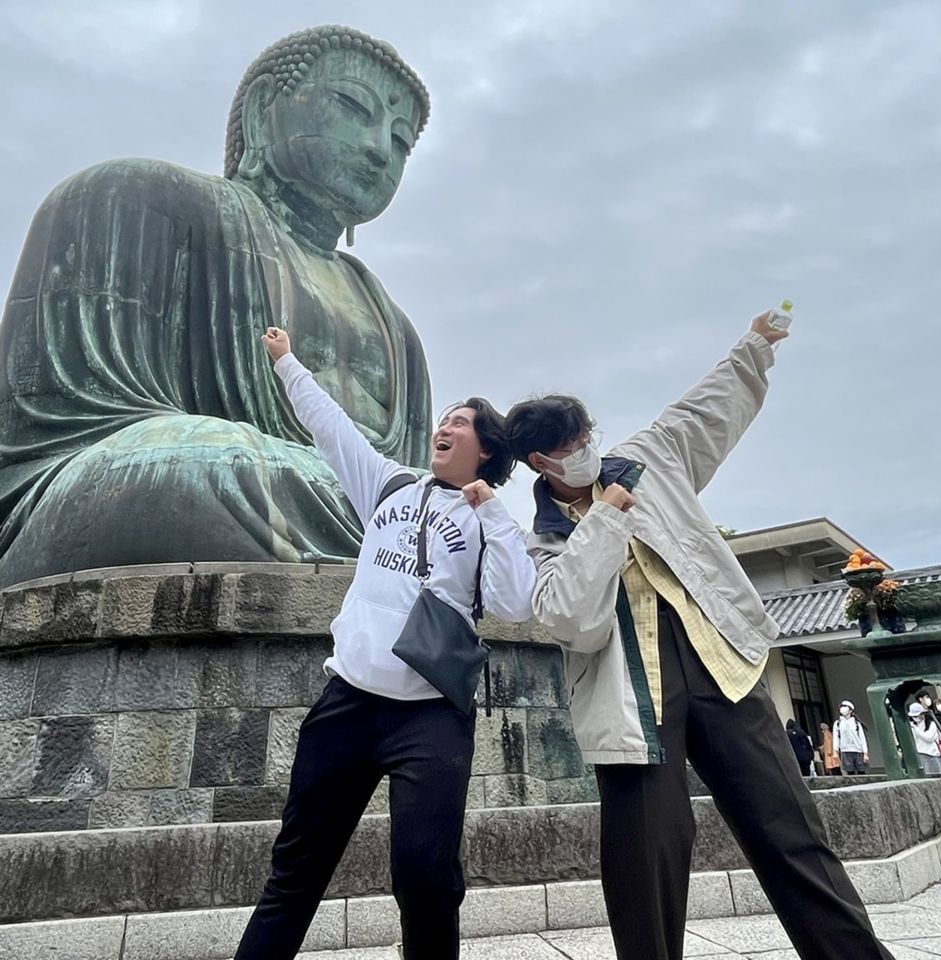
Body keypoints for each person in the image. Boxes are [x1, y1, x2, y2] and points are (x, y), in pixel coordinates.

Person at [505, 313, 893, 960]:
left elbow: (706, 407)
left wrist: (756, 345)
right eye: (571, 445)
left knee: (794, 837)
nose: (587, 447)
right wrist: (603, 520)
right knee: (645, 870)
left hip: (724, 670)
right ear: (541, 462)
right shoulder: (543, 542)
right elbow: (571, 618)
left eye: (587, 434)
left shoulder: (648, 458)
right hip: (633, 705)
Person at [0, 25, 436, 587]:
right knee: (183, 477)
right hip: (161, 487)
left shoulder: (396, 331)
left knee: (451, 526)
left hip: (347, 507)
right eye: (352, 106)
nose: (380, 149)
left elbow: (414, 485)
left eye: (401, 140)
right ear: (262, 113)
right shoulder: (132, 198)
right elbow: (55, 435)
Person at [233, 327, 536, 960]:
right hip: (347, 703)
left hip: (429, 717)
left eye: (459, 422)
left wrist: (494, 515)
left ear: (485, 449)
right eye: (444, 419)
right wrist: (289, 361)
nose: (443, 427)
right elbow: (332, 427)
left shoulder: (488, 521)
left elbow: (513, 602)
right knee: (296, 871)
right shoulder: (391, 486)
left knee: (425, 879)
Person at [907, 702, 941, 776]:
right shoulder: (912, 725)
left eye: (918, 715)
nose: (916, 717)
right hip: (921, 753)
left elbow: (929, 738)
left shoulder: (931, 724)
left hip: (933, 754)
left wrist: (916, 729)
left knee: (940, 775)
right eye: (914, 716)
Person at [833, 700, 870, 775]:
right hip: (845, 751)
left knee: (861, 772)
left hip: (858, 751)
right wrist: (835, 752)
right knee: (850, 773)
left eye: (845, 707)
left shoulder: (856, 723)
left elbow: (862, 739)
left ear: (850, 710)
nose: (843, 708)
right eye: (842, 707)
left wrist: (865, 753)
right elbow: (836, 738)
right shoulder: (838, 723)